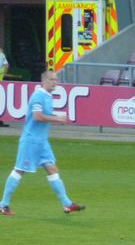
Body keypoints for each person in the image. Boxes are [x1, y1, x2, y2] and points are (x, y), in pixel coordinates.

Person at [1, 71, 85, 216]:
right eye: (52, 79)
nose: (55, 82)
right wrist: (57, 119)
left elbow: (44, 116)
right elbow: (38, 117)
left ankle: (67, 204)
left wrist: (56, 118)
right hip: (31, 140)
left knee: (52, 169)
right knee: (19, 170)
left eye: (56, 79)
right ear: (44, 81)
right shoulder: (38, 96)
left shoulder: (48, 96)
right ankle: (3, 204)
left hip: (42, 142)